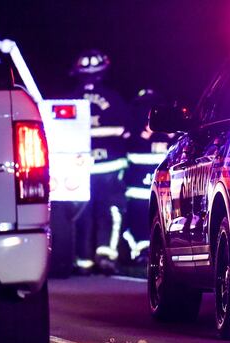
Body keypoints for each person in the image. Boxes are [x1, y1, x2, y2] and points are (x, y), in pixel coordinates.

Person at [70, 49, 130, 274]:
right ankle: (105, 256)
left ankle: (82, 260)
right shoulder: (114, 99)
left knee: (81, 213)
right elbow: (125, 131)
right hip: (111, 167)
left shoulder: (69, 99)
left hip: (78, 169)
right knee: (111, 211)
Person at [121, 88, 174, 263]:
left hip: (140, 187)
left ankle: (143, 253)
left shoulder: (133, 126)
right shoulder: (169, 127)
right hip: (157, 189)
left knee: (140, 220)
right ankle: (146, 252)